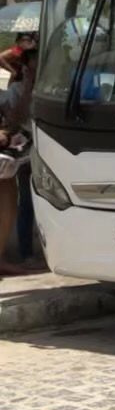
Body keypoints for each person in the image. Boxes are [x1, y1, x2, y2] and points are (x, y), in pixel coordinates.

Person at [0, 44, 40, 275]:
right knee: (21, 200)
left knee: (15, 198)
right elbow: (17, 115)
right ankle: (24, 253)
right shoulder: (14, 86)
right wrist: (26, 82)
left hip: (30, 147)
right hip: (18, 148)